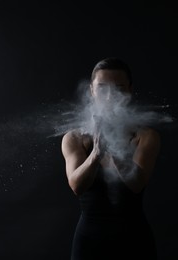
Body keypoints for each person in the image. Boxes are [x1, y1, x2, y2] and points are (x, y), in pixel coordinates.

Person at [61, 57, 160, 260]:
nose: (109, 97)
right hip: (89, 242)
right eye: (102, 88)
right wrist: (96, 154)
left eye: (119, 88)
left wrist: (114, 150)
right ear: (91, 90)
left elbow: (137, 184)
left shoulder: (145, 136)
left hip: (135, 240)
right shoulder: (74, 138)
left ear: (130, 89)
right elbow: (76, 185)